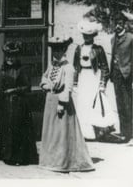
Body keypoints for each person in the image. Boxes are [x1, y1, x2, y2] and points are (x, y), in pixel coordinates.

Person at [39, 36, 94, 173]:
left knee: (61, 133)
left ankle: (63, 160)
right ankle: (50, 159)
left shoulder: (68, 67)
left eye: (59, 50)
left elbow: (68, 87)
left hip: (60, 102)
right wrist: (45, 84)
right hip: (50, 100)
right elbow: (45, 77)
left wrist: (62, 104)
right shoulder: (52, 65)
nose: (56, 53)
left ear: (64, 50)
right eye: (54, 50)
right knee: (51, 131)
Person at [72, 19, 118, 141]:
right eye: (85, 35)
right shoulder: (78, 49)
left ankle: (97, 132)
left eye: (89, 35)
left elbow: (104, 68)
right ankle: (84, 133)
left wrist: (102, 84)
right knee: (82, 104)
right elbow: (76, 67)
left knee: (95, 104)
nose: (87, 38)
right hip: (83, 79)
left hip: (94, 78)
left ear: (93, 36)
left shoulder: (98, 49)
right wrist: (75, 83)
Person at [0, 41, 38, 165]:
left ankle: (19, 157)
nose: (10, 59)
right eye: (8, 56)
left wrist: (13, 90)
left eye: (12, 56)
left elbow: (27, 87)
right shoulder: (2, 70)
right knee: (6, 130)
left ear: (16, 57)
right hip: (5, 106)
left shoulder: (22, 69)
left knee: (18, 130)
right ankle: (7, 156)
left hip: (19, 104)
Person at [110, 11, 133, 142]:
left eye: (120, 24)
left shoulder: (130, 38)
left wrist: (131, 73)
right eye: (116, 24)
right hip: (116, 75)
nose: (117, 26)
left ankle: (129, 132)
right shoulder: (113, 39)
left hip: (126, 75)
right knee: (119, 104)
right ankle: (123, 132)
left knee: (127, 104)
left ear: (124, 24)